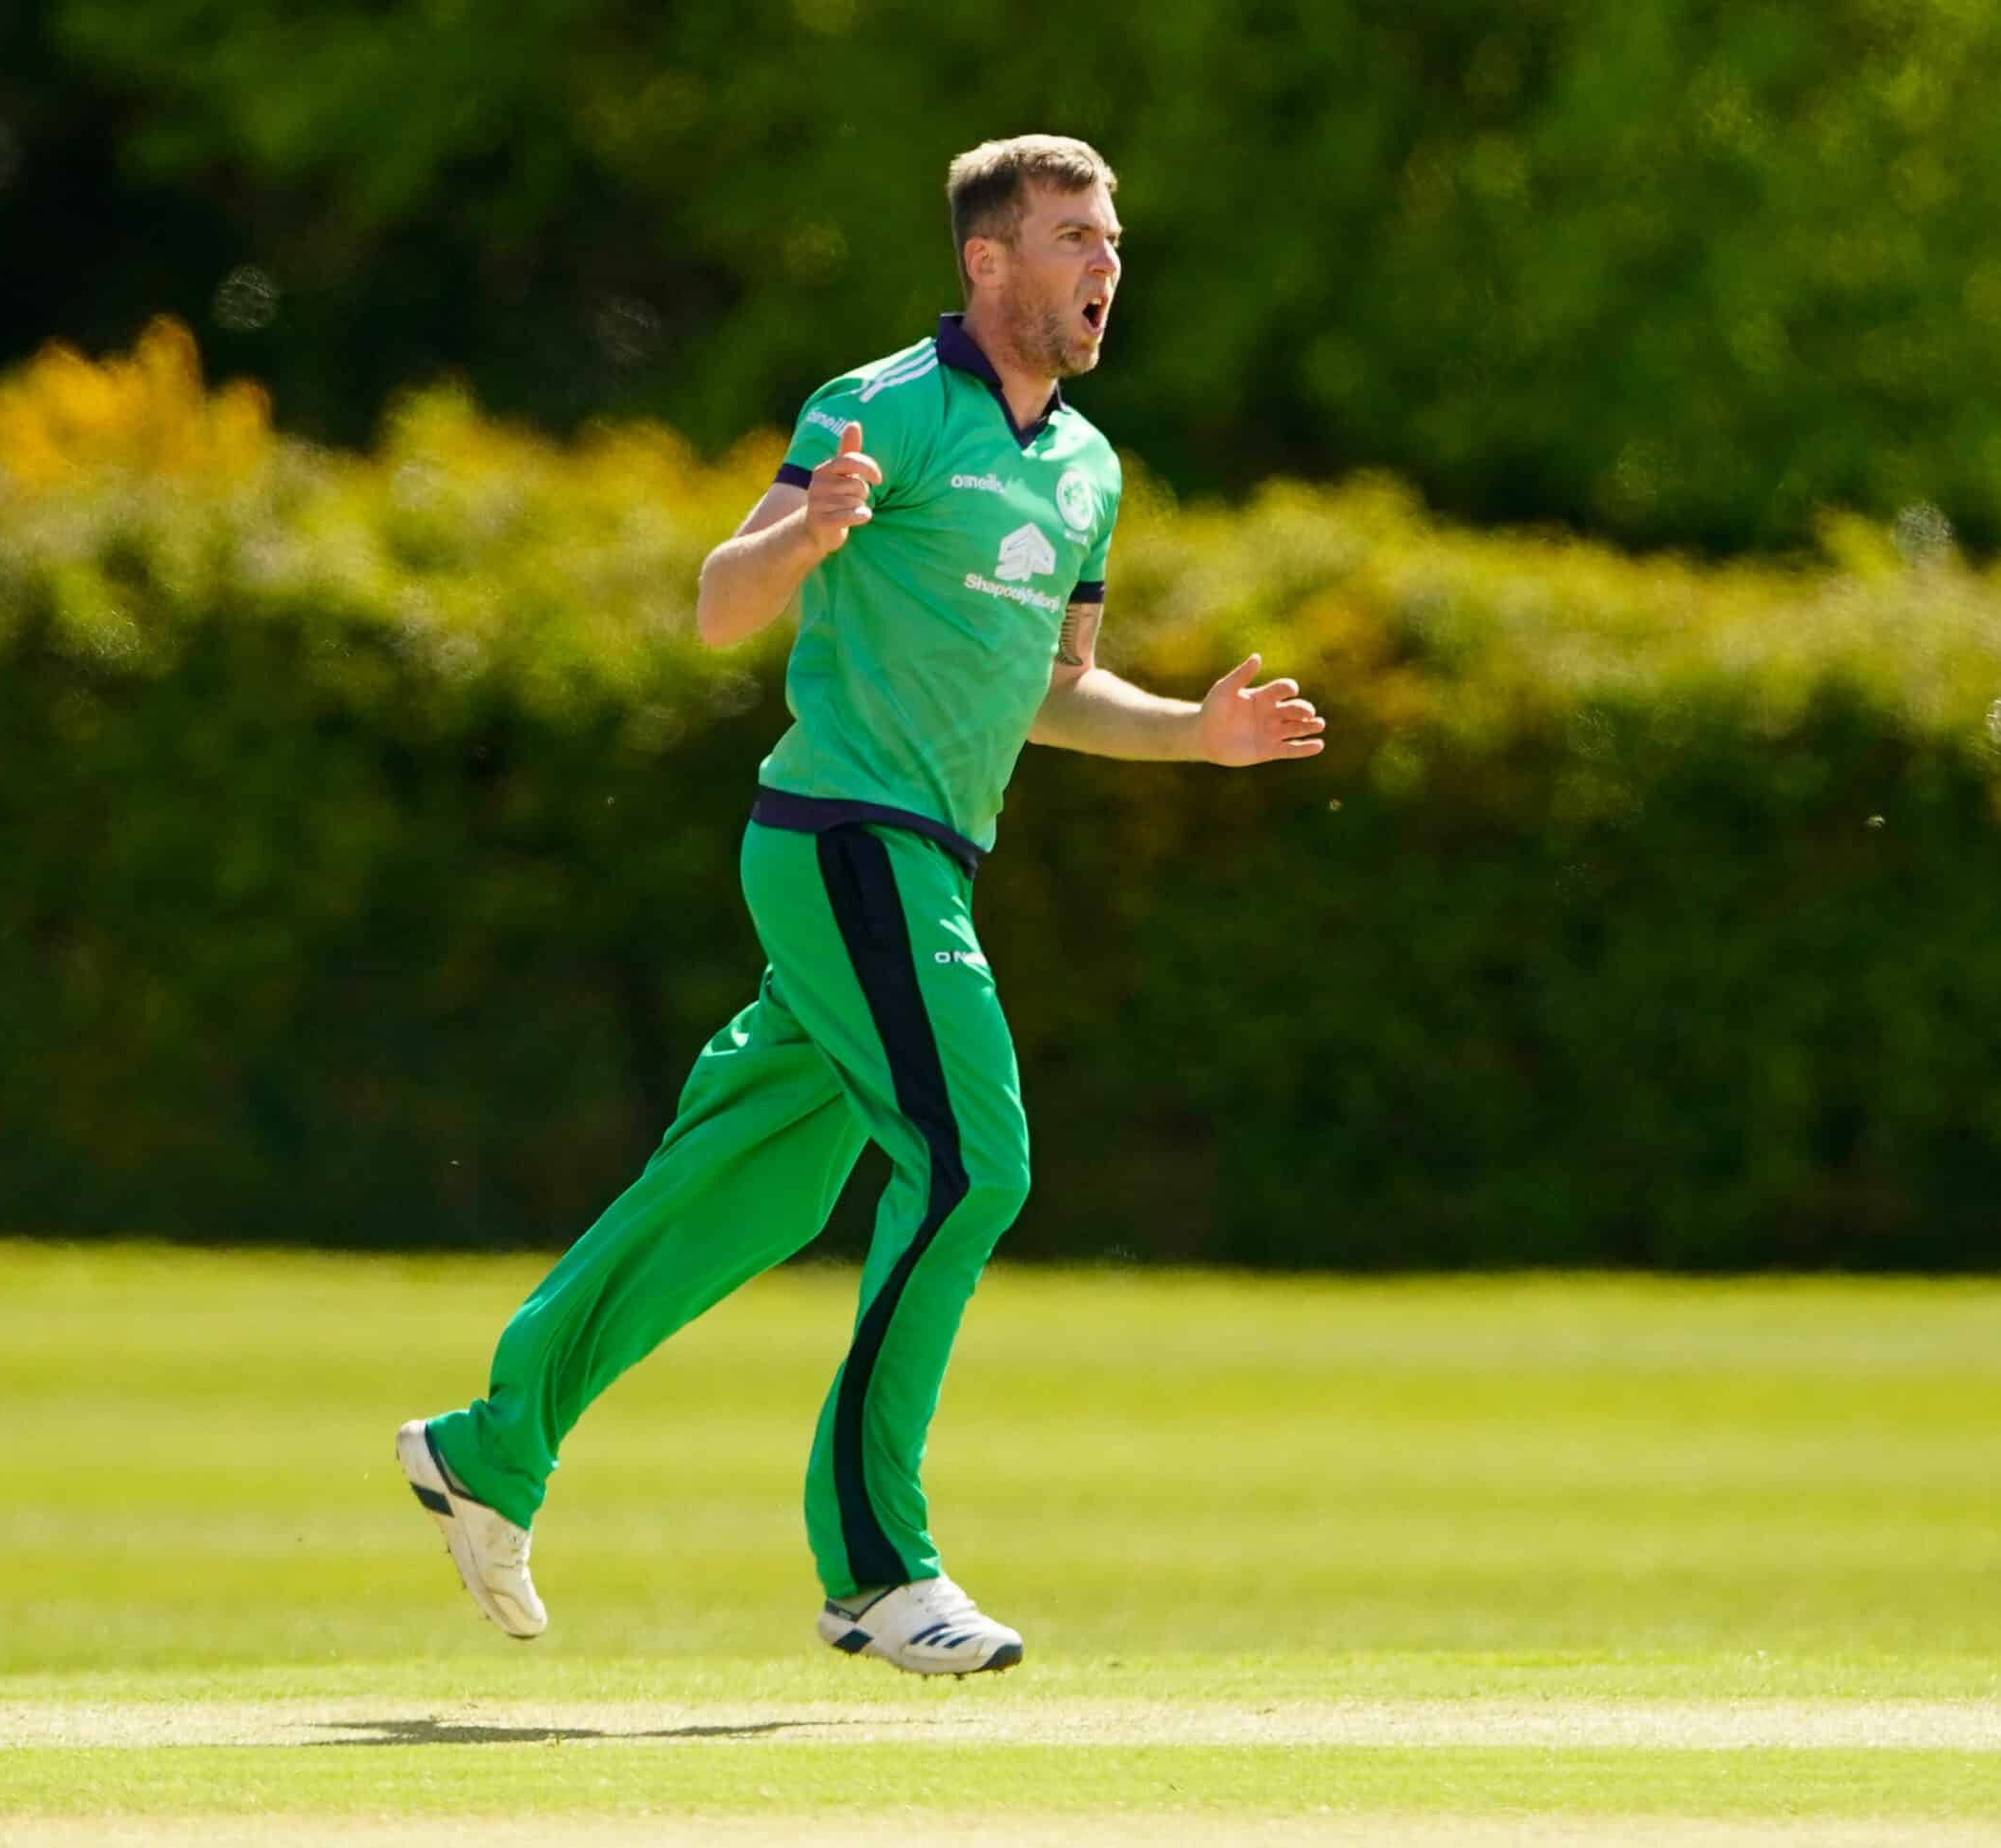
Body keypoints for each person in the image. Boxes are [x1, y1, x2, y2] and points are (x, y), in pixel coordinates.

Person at [398, 134, 1325, 1678]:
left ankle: (492, 1445)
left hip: (920, 859)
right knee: (972, 1165)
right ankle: (876, 1566)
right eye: (1074, 238)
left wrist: (1195, 735)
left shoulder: (1089, 469)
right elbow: (723, 602)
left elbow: (1055, 687)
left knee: (747, 1191)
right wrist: (807, 529)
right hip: (847, 839)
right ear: (988, 260)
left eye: (1112, 241)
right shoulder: (878, 405)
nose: (1106, 265)